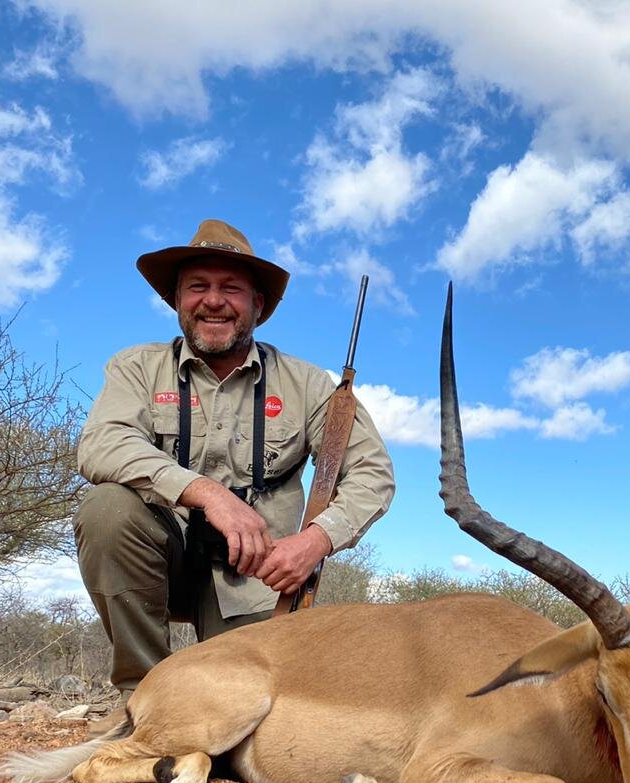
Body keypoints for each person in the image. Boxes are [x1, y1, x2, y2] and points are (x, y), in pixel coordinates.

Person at [74, 219, 394, 716]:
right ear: (176, 300)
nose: (214, 301)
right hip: (162, 562)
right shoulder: (136, 367)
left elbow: (372, 474)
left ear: (258, 306)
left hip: (259, 575)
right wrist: (208, 494)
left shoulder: (310, 384)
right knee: (107, 511)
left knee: (260, 708)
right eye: (198, 286)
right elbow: (101, 443)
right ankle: (142, 703)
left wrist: (313, 543)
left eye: (232, 289)